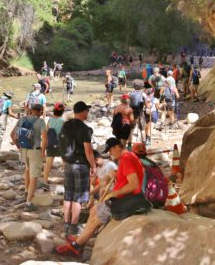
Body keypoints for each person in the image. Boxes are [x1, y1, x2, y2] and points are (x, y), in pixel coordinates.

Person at [56, 137, 150, 257]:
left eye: (110, 151)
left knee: (96, 220)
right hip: (123, 197)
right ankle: (82, 238)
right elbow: (120, 173)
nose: (110, 154)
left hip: (126, 199)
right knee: (94, 210)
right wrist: (109, 177)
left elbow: (134, 184)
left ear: (117, 147)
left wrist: (113, 194)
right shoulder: (126, 156)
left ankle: (75, 247)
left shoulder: (126, 158)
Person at [61, 101, 96, 236]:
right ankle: (74, 226)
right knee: (78, 197)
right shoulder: (85, 129)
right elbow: (88, 151)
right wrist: (93, 166)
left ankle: (66, 223)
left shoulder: (66, 125)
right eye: (86, 111)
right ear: (81, 112)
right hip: (81, 165)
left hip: (68, 164)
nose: (87, 113)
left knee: (68, 194)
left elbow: (63, 145)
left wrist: (65, 160)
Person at [11, 103, 47, 212]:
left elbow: (12, 134)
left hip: (23, 149)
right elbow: (44, 138)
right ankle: (28, 203)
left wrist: (17, 145)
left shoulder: (22, 119)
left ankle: (26, 191)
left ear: (31, 110)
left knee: (27, 170)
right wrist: (43, 151)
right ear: (40, 112)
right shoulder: (41, 122)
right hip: (35, 151)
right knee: (34, 176)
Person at [43, 102, 65, 191]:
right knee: (65, 162)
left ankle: (45, 182)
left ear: (54, 110)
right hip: (61, 144)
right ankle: (68, 181)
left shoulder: (50, 120)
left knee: (48, 163)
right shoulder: (63, 121)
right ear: (62, 111)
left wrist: (43, 148)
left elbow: (46, 132)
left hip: (51, 144)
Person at [0, 91, 19, 160]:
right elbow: (10, 113)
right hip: (2, 118)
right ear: (10, 96)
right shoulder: (8, 101)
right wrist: (17, 117)